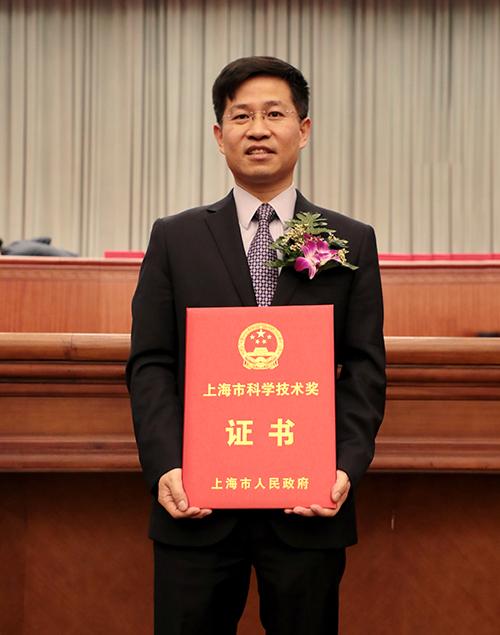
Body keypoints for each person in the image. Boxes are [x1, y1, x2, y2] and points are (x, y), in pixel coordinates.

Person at [126, 56, 386, 635]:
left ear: (304, 129)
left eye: (275, 114)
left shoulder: (349, 241)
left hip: (307, 505)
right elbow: (151, 363)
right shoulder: (174, 238)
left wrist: (344, 466)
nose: (259, 129)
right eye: (241, 116)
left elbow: (365, 368)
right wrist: (167, 465)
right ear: (220, 135)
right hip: (197, 503)